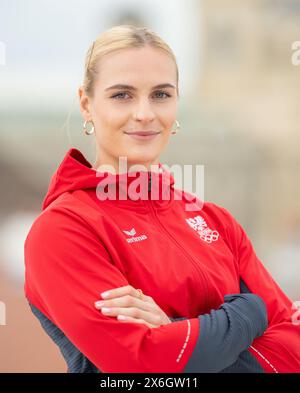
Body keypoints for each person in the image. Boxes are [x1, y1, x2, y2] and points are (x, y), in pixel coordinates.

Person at [24, 25, 300, 373]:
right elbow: (145, 365)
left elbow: (294, 348)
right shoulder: (63, 230)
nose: (144, 114)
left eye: (161, 95)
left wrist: (175, 332)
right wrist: (250, 311)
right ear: (86, 104)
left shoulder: (218, 222)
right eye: (122, 95)